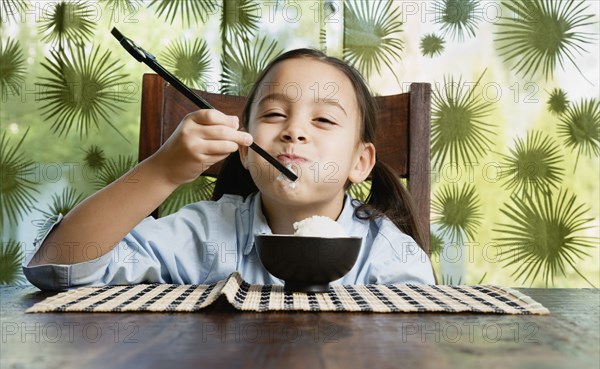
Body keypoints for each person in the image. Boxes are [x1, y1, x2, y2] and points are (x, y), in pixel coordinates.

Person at [23, 48, 435, 290]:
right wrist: (163, 171)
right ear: (244, 149)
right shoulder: (204, 234)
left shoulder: (387, 252)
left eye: (323, 120)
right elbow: (61, 268)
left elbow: (413, 351)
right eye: (274, 114)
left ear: (360, 163)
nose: (294, 131)